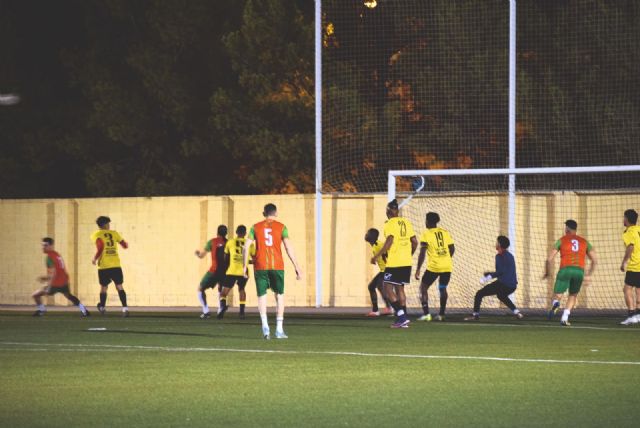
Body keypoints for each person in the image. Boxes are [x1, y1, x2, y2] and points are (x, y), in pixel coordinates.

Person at [243, 203, 302, 339]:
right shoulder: (282, 227)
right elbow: (288, 248)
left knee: (261, 296)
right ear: (276, 213)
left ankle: (265, 327)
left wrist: (244, 267)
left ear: (264, 214)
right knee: (279, 296)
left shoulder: (255, 227)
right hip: (277, 266)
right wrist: (297, 267)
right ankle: (279, 330)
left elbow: (246, 247)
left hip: (260, 265)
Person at [371, 199, 418, 328]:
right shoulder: (406, 222)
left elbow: (389, 241)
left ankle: (401, 316)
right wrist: (409, 254)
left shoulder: (389, 223)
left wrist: (376, 256)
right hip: (406, 262)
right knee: (400, 288)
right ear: (397, 210)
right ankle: (403, 319)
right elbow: (415, 242)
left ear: (388, 211)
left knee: (387, 288)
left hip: (395, 262)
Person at [544, 220, 597, 326]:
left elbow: (549, 259)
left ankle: (555, 304)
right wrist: (588, 274)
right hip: (579, 271)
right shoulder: (584, 241)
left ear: (567, 229)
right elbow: (594, 260)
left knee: (557, 294)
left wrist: (547, 272)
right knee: (573, 295)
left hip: (565, 270)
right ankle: (564, 317)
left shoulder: (562, 240)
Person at [464, 236, 523, 321]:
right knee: (501, 296)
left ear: (499, 244)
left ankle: (475, 315)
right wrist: (490, 273)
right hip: (512, 286)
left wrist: (487, 278)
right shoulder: (510, 256)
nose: (495, 244)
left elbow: (500, 272)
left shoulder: (499, 256)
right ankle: (517, 312)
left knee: (479, 294)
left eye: (497, 242)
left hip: (503, 284)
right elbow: (504, 271)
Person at [32, 237, 90, 317]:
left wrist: (49, 286)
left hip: (55, 283)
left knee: (35, 295)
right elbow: (58, 270)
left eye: (45, 245)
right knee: (69, 296)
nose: (43, 247)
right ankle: (84, 310)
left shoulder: (49, 257)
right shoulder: (56, 254)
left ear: (51, 246)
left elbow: (54, 273)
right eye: (42, 245)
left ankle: (41, 310)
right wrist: (45, 278)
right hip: (64, 281)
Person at [414, 212, 455, 321]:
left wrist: (418, 269)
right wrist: (446, 258)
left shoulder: (426, 234)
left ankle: (427, 314)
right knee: (442, 288)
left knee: (423, 288)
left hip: (434, 267)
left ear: (427, 221)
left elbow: (422, 253)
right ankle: (441, 314)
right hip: (447, 266)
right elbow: (452, 248)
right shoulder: (445, 232)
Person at [91, 216, 129, 316]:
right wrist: (125, 244)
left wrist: (95, 258)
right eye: (108, 223)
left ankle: (102, 307)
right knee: (119, 286)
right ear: (104, 224)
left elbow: (100, 247)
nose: (109, 225)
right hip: (116, 264)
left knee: (104, 287)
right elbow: (124, 245)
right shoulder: (114, 233)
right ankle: (125, 308)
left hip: (104, 265)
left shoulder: (96, 234)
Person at [218, 225, 255, 320]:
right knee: (241, 289)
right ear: (245, 233)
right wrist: (246, 261)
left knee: (224, 292)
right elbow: (255, 259)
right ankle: (242, 312)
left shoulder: (230, 242)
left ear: (236, 232)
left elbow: (225, 258)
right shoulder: (249, 243)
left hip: (232, 270)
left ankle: (222, 307)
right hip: (244, 271)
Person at [195, 225, 228, 319]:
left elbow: (202, 255)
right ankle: (220, 309)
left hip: (213, 271)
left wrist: (198, 253)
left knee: (200, 288)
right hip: (225, 271)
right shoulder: (228, 242)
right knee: (221, 289)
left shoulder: (212, 242)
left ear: (217, 232)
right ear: (226, 233)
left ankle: (206, 311)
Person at [364, 228, 393, 317]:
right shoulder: (375, 245)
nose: (365, 234)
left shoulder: (378, 245)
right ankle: (389, 308)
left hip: (386, 270)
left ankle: (378, 310)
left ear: (372, 237)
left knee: (372, 286)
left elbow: (387, 249)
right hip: (384, 270)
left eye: (367, 233)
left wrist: (376, 258)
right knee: (379, 287)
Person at [620, 209, 640, 325]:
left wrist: (624, 262)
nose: (623, 219)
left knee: (627, 289)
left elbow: (630, 247)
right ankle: (638, 315)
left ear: (627, 219)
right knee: (639, 289)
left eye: (624, 217)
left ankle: (631, 315)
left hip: (635, 265)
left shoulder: (628, 232)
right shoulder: (639, 229)